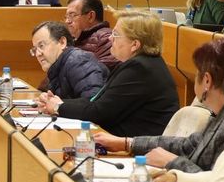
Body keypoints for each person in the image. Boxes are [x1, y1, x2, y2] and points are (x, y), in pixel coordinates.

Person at [102, 34, 224, 173]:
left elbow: (214, 181)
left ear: (207, 80)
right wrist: (128, 143)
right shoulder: (223, 113)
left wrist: (171, 161)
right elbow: (187, 145)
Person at [32, 12, 177, 137]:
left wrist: (59, 107)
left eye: (116, 34)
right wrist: (57, 102)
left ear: (135, 44)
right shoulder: (141, 64)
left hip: (137, 153)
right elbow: (95, 101)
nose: (109, 38)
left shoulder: (140, 69)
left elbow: (99, 112)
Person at [30, 20, 105, 100]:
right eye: (35, 50)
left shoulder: (79, 61)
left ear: (62, 42)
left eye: (41, 46)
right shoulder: (57, 67)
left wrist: (58, 106)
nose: (38, 54)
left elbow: (91, 102)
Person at [63, 0, 115, 71]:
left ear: (90, 16)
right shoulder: (73, 40)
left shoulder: (106, 38)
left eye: (72, 15)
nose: (67, 21)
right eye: (67, 16)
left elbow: (99, 76)